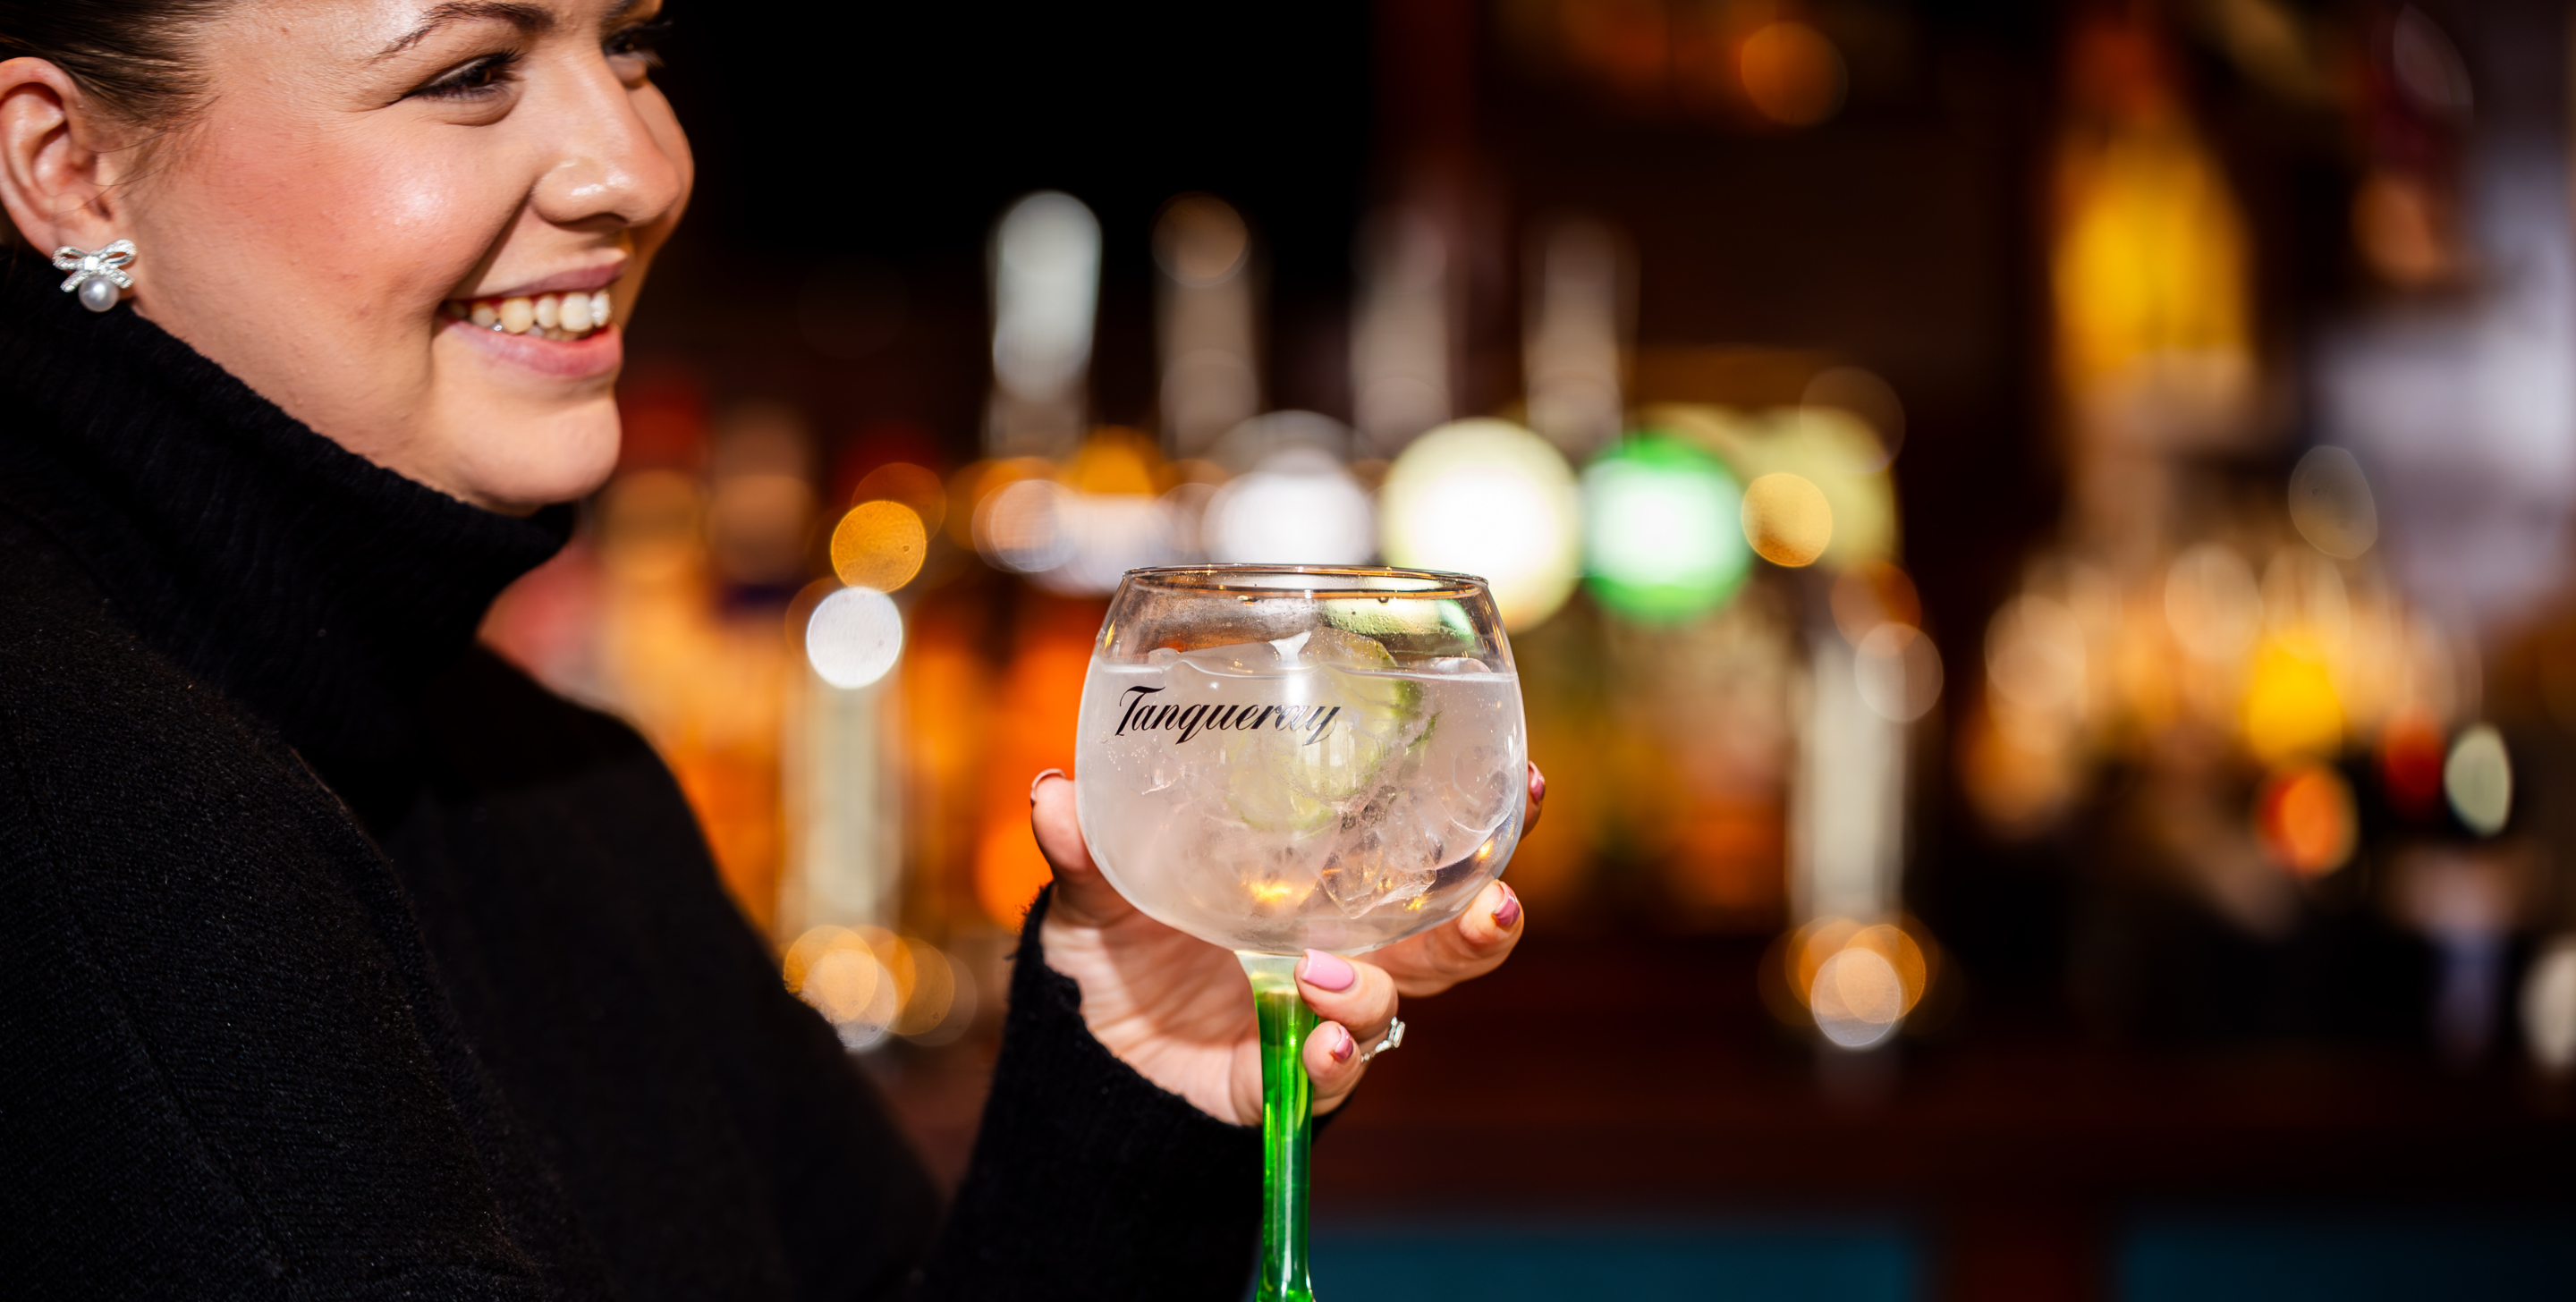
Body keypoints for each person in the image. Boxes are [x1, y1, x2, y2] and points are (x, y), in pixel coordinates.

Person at [0, 2, 1546, 1298]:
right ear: (68, 168)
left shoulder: (549, 792)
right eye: (470, 72)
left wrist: (1137, 1087)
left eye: (632, 48)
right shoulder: (88, 793)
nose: (636, 166)